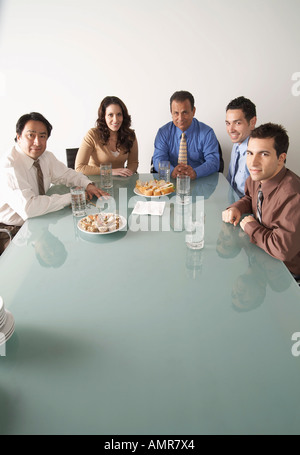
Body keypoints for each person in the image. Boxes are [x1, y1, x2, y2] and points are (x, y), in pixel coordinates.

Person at [0, 112, 107, 254]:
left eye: (42, 136)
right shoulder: (10, 165)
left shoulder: (45, 157)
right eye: (31, 135)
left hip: (40, 221)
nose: (37, 142)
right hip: (13, 231)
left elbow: (67, 174)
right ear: (19, 137)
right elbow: (29, 208)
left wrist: (88, 185)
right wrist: (72, 197)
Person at [222, 123, 300, 280]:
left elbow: (282, 250)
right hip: (260, 255)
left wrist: (251, 227)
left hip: (286, 275)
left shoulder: (292, 195)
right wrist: (237, 207)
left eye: (263, 154)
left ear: (281, 158)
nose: (253, 162)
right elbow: (250, 198)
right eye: (250, 153)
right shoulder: (256, 177)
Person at [153, 91, 220, 180]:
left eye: (185, 112)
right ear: (171, 112)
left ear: (193, 111)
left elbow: (214, 162)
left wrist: (196, 172)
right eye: (176, 113)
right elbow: (158, 159)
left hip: (200, 183)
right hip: (170, 183)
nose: (180, 118)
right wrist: (172, 171)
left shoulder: (207, 133)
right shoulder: (163, 133)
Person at [75, 96, 138, 176]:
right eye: (110, 115)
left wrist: (127, 173)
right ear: (103, 117)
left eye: (119, 114)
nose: (115, 120)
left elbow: (133, 162)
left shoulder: (130, 135)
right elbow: (79, 168)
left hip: (121, 184)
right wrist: (110, 171)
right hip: (96, 184)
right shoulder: (92, 135)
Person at [225, 96, 257, 198]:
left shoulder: (257, 152)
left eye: (237, 123)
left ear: (252, 122)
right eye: (228, 123)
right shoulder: (236, 145)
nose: (231, 129)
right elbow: (230, 181)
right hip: (233, 202)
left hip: (247, 208)